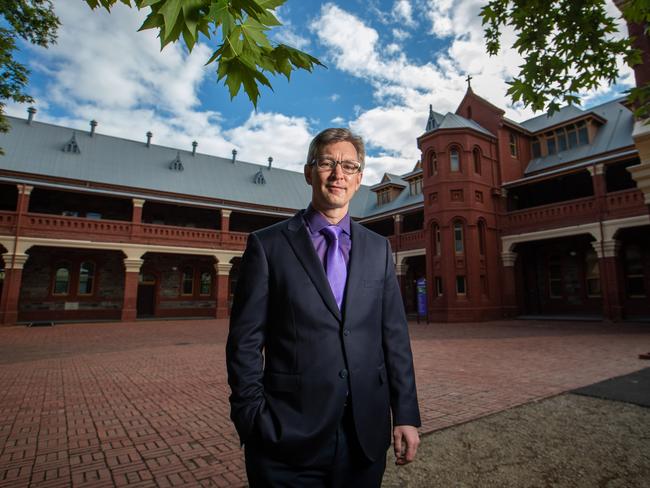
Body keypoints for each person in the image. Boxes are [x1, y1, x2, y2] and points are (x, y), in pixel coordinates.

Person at [226, 128, 421, 487]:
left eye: (349, 165)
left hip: (364, 434)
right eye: (328, 163)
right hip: (286, 437)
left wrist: (406, 414)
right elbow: (245, 342)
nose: (338, 174)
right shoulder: (267, 246)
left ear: (360, 178)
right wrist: (251, 418)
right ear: (308, 171)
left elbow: (394, 337)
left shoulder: (378, 249)